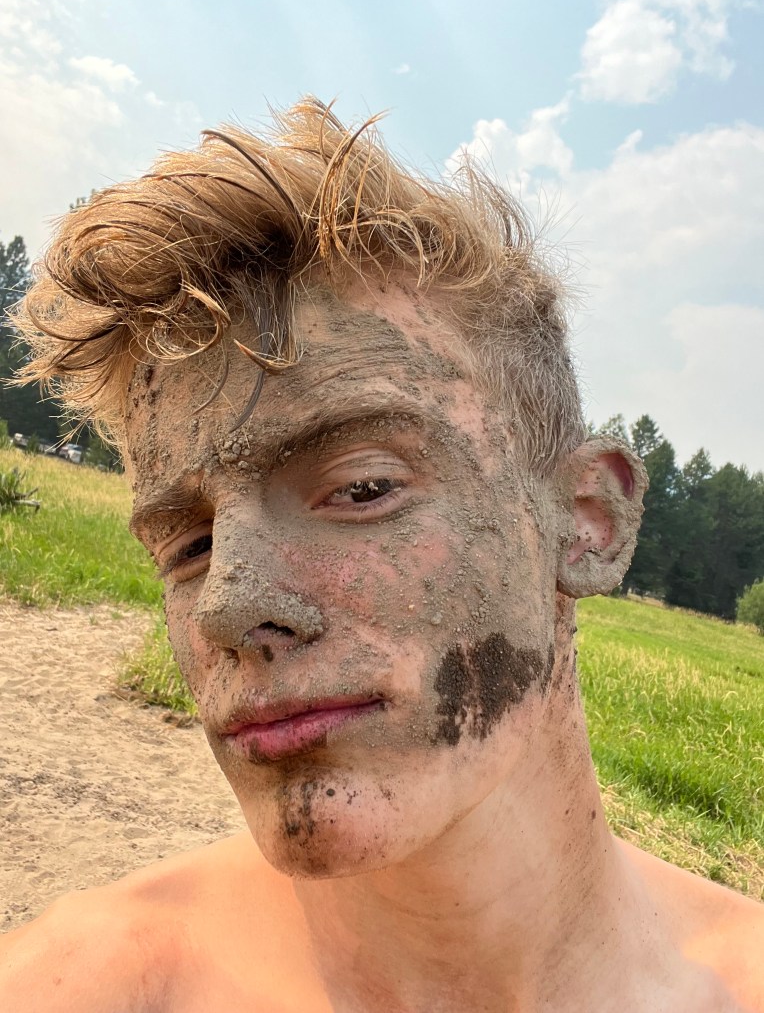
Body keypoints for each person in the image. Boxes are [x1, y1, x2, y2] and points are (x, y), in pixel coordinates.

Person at [2, 97, 762, 1012]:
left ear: (587, 521)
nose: (229, 609)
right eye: (191, 543)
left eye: (362, 488)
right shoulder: (99, 984)